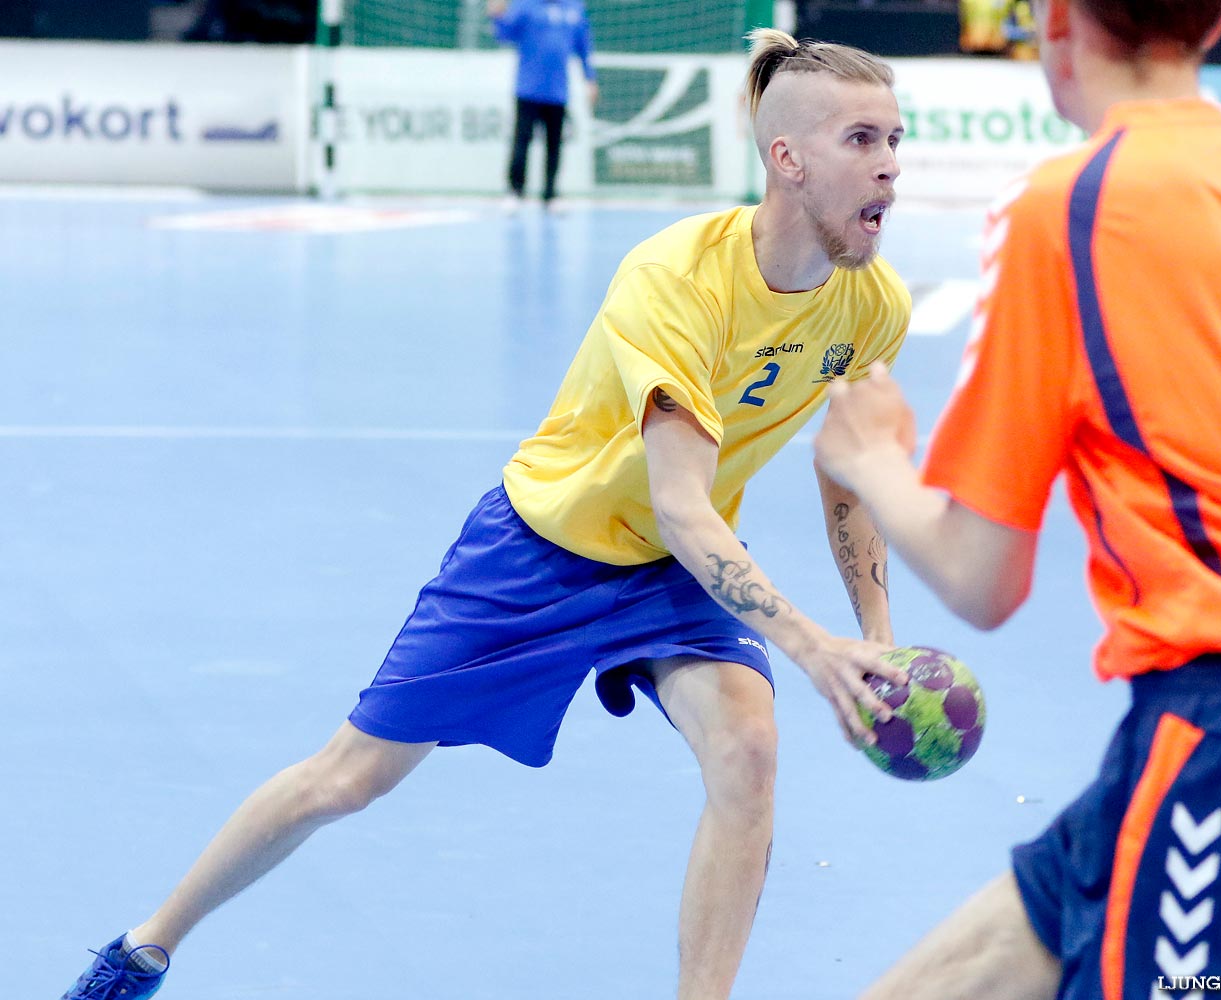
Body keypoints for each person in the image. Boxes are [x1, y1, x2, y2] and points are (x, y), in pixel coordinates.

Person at [60, 27, 912, 1000]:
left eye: (896, 140)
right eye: (862, 141)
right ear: (786, 159)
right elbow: (679, 503)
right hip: (545, 550)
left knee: (750, 748)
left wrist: (878, 636)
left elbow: (847, 465)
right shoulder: (676, 280)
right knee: (348, 778)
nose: (889, 166)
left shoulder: (870, 306)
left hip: (676, 572)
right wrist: (811, 645)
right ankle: (145, 946)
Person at [814, 0, 1221, 997]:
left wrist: (872, 459)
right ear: (1213, 24)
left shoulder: (1067, 207)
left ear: (1056, 22)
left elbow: (983, 578)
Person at [487, 0, 598, 212]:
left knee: (554, 145)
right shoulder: (525, 5)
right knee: (522, 141)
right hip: (528, 89)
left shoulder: (574, 7)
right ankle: (515, 192)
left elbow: (583, 45)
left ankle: (551, 194)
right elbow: (505, 35)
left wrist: (590, 79)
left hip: (557, 91)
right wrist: (497, 16)